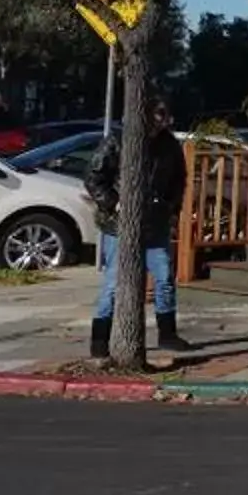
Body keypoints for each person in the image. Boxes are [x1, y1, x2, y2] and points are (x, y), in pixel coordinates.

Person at [87, 98, 188, 354]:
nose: (166, 120)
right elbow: (94, 177)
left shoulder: (169, 145)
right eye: (160, 114)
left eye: (167, 115)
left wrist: (171, 208)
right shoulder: (117, 140)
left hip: (155, 223)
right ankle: (99, 341)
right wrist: (113, 203)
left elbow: (179, 179)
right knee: (113, 283)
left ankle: (168, 334)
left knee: (164, 277)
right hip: (119, 225)